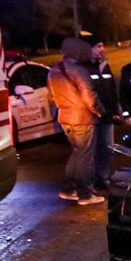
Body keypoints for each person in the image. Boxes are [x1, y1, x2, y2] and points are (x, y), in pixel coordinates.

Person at [47, 37, 105, 205]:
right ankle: (85, 194)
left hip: (64, 117)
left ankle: (68, 189)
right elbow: (89, 97)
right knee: (85, 157)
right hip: (82, 118)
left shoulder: (54, 70)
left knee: (77, 153)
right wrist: (100, 111)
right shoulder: (79, 70)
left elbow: (51, 96)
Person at [83, 36, 118, 191]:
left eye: (102, 46)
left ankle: (102, 177)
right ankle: (89, 182)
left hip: (107, 116)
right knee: (91, 151)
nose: (101, 49)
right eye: (98, 46)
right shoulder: (83, 67)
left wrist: (115, 111)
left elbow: (111, 89)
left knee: (107, 149)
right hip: (91, 116)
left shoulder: (105, 65)